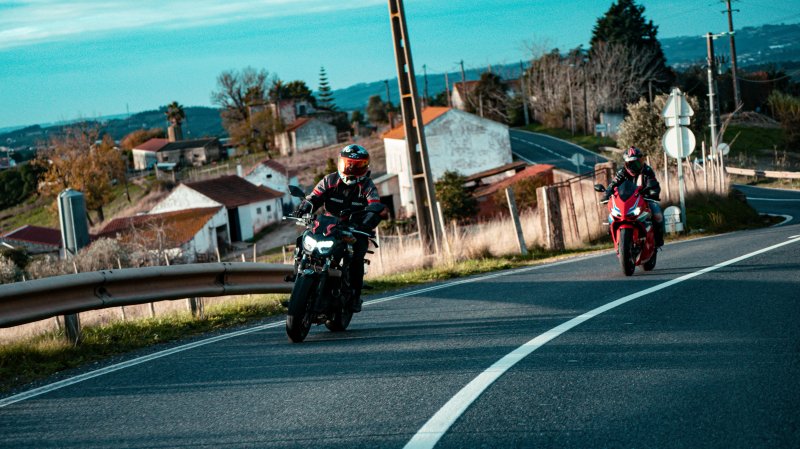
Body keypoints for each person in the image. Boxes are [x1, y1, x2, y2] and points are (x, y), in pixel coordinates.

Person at [292, 144, 385, 312]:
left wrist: (366, 223)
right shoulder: (330, 180)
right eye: (348, 164)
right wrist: (304, 207)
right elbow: (314, 197)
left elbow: (375, 205)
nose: (351, 169)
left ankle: (354, 295)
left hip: (355, 229)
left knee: (357, 256)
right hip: (328, 226)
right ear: (341, 163)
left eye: (357, 166)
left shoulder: (368, 186)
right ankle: (298, 280)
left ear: (365, 167)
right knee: (304, 239)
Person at [602, 146, 665, 247]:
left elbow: (653, 183)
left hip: (644, 198)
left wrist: (652, 192)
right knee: (611, 216)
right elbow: (613, 184)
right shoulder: (622, 172)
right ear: (627, 164)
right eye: (632, 163)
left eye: (638, 161)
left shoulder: (647, 170)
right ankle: (616, 236)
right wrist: (606, 194)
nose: (636, 165)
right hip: (627, 201)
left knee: (658, 215)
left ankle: (658, 238)